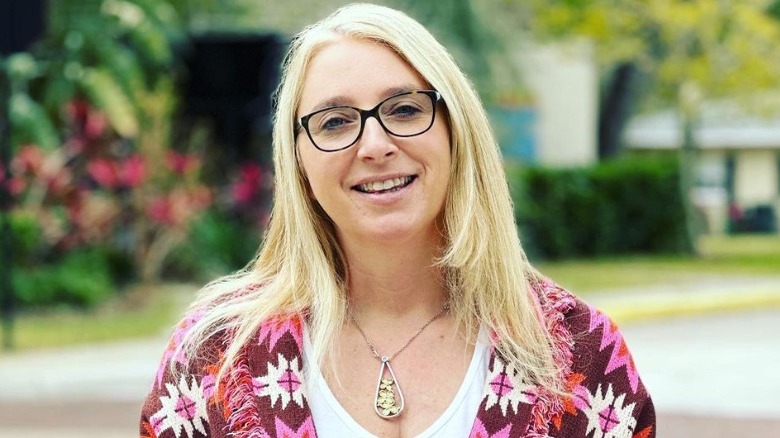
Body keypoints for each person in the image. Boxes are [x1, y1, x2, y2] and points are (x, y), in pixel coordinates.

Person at [140, 3, 655, 437]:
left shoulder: (580, 355)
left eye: (404, 110)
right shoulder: (215, 357)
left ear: (456, 131)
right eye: (335, 121)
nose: (375, 145)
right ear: (298, 160)